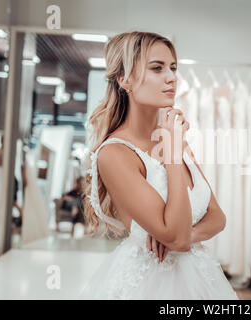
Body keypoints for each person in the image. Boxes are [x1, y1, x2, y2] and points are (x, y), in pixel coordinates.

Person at [80, 31, 238, 299]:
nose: (172, 77)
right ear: (124, 79)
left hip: (201, 280)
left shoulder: (174, 141)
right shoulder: (116, 153)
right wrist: (173, 155)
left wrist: (189, 235)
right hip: (147, 286)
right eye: (157, 68)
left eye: (173, 68)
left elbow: (217, 217)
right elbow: (175, 237)